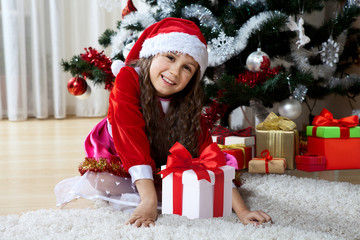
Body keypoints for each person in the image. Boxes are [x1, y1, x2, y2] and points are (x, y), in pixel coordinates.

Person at [55, 17, 271, 227]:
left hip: (158, 153)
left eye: (188, 68)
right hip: (121, 149)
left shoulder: (186, 100)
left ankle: (149, 190)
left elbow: (207, 152)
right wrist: (148, 199)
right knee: (103, 181)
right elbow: (130, 136)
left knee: (192, 183)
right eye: (170, 57)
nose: (175, 72)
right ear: (151, 53)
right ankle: (144, 192)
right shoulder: (128, 78)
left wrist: (242, 211)